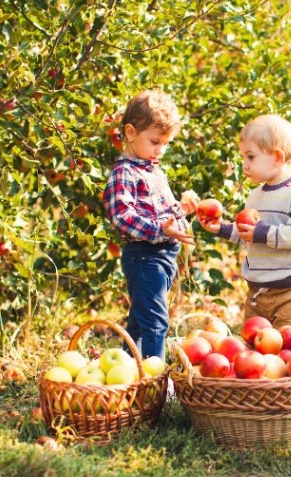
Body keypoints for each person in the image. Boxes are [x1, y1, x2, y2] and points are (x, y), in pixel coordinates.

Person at [104, 89, 199, 358]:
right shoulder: (124, 172)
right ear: (131, 132)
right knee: (156, 321)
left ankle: (129, 368)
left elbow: (163, 214)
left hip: (163, 257)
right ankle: (155, 378)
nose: (161, 150)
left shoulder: (152, 168)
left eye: (166, 144)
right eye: (155, 141)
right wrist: (160, 229)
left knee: (140, 318)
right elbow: (123, 217)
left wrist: (183, 209)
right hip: (145, 258)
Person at [200, 114, 291, 333]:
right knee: (254, 354)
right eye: (243, 157)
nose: (244, 165)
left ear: (277, 157)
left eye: (251, 157)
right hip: (256, 293)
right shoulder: (255, 196)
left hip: (290, 292)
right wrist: (223, 228)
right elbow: (250, 235)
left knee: (290, 351)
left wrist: (262, 233)